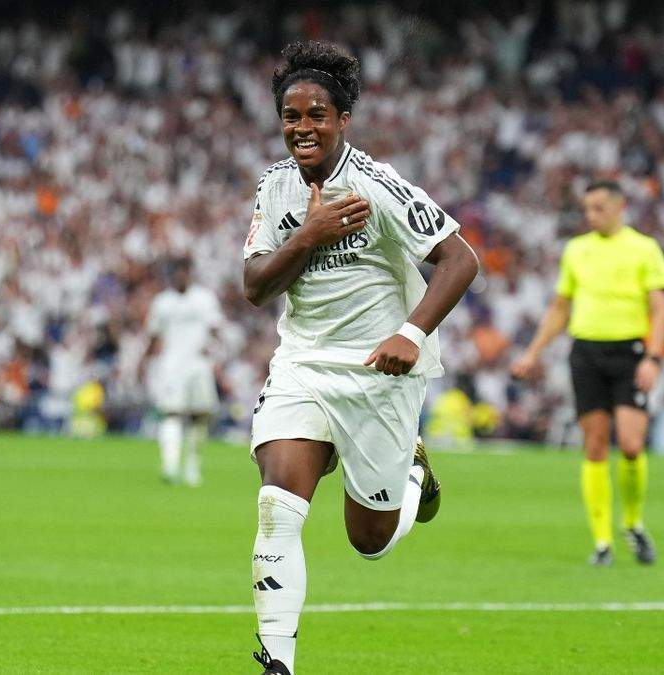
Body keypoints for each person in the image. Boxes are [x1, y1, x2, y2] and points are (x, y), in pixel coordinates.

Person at [242, 42, 479, 674]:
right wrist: (310, 235)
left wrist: (412, 332)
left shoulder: (378, 186)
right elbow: (255, 286)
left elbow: (462, 260)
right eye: (291, 117)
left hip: (380, 370)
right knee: (277, 505)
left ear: (343, 118)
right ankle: (277, 663)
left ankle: (411, 480)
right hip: (302, 363)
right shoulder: (274, 187)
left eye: (316, 115)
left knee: (368, 541)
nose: (302, 128)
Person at [511, 179, 664, 566]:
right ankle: (602, 543)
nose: (591, 215)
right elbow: (559, 308)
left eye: (598, 207)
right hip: (585, 352)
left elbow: (661, 309)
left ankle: (632, 522)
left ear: (620, 207)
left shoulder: (644, 248)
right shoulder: (576, 250)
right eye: (587, 208)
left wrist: (653, 358)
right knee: (595, 445)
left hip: (629, 352)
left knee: (632, 445)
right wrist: (533, 352)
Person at [140, 258, 223, 487]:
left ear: (189, 274)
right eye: (176, 273)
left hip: (198, 364)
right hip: (172, 365)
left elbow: (216, 329)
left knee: (199, 415)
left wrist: (216, 353)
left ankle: (192, 467)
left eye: (184, 272)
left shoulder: (204, 299)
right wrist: (141, 362)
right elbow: (153, 335)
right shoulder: (163, 302)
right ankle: (170, 466)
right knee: (172, 413)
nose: (181, 277)